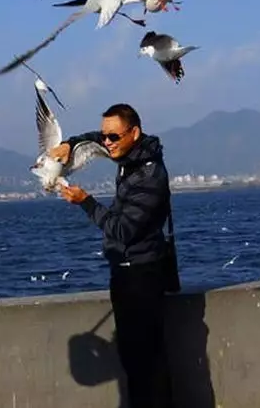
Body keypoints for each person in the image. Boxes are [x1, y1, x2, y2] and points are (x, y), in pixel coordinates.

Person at [49, 103, 175, 408]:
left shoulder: (149, 175)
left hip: (142, 277)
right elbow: (97, 139)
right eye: (105, 136)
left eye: (114, 137)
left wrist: (85, 201)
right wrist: (70, 144)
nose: (107, 142)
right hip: (125, 272)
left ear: (135, 133)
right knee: (133, 360)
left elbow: (122, 230)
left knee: (146, 364)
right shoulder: (129, 154)